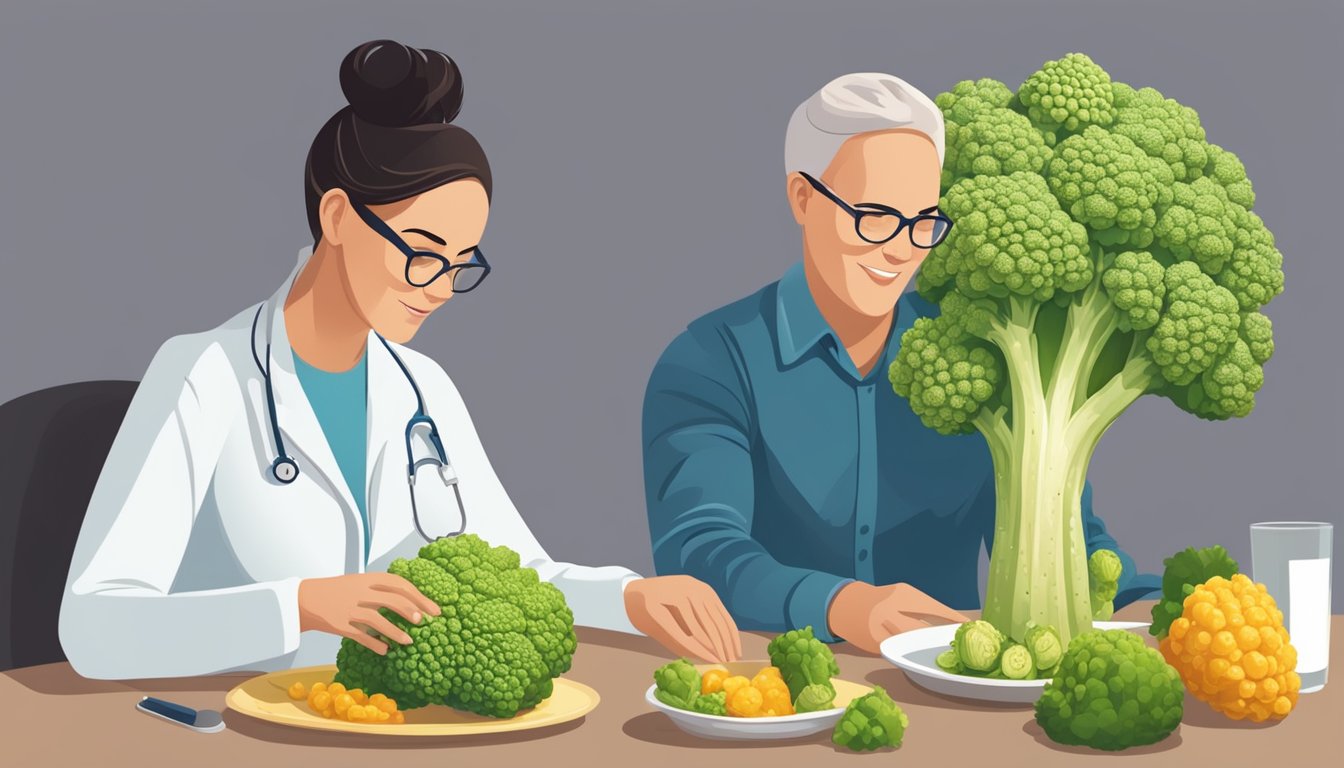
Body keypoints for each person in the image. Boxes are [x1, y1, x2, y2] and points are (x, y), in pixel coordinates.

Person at [59, 39, 740, 680]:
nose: (441, 289)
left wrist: (631, 598)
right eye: (421, 253)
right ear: (336, 217)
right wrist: (298, 605)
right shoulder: (204, 375)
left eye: (460, 264)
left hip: (381, 726)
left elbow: (517, 572)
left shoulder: (423, 390)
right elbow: (93, 626)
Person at [642, 72, 1160, 654]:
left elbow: (1065, 537)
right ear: (803, 198)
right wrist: (841, 605)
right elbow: (700, 550)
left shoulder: (987, 349)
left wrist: (1158, 604)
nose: (900, 248)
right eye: (875, 216)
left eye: (922, 223)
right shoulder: (710, 361)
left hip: (949, 697)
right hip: (767, 691)